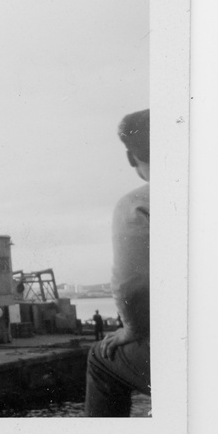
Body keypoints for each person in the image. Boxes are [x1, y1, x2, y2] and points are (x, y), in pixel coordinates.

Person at [85, 109, 151, 417]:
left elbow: (132, 286)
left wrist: (132, 329)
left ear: (131, 157)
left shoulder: (136, 205)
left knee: (101, 359)